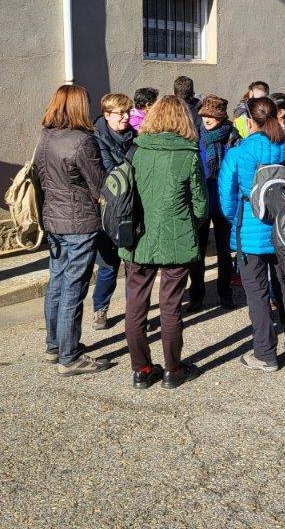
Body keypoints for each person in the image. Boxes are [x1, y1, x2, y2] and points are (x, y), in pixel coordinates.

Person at [120, 95, 209, 390]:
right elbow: (200, 205)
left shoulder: (136, 151)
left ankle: (141, 370)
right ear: (183, 119)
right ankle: (172, 370)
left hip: (138, 237)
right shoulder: (189, 154)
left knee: (136, 304)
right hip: (177, 237)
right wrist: (190, 225)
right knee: (170, 306)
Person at [219, 97, 285, 371]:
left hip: (251, 226)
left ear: (249, 120)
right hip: (282, 226)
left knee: (257, 293)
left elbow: (227, 196)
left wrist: (235, 220)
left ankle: (265, 353)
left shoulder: (239, 152)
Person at [34, 85, 108, 376]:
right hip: (78, 221)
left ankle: (54, 346)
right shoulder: (82, 141)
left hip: (53, 219)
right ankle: (70, 356)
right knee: (73, 288)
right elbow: (99, 183)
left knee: (57, 282)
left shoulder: (45, 136)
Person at [90, 92, 136, 329]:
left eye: (128, 112)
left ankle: (135, 313)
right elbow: (107, 171)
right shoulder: (96, 139)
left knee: (132, 265)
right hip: (106, 211)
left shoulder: (134, 137)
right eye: (121, 113)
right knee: (108, 265)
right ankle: (100, 309)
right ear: (107, 115)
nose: (126, 117)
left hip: (129, 208)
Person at [191, 94, 236, 311]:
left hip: (224, 198)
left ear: (222, 117)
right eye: (205, 115)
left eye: (213, 116)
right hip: (201, 197)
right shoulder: (194, 135)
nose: (207, 119)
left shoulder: (231, 136)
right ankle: (197, 295)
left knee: (224, 250)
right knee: (197, 250)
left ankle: (225, 293)